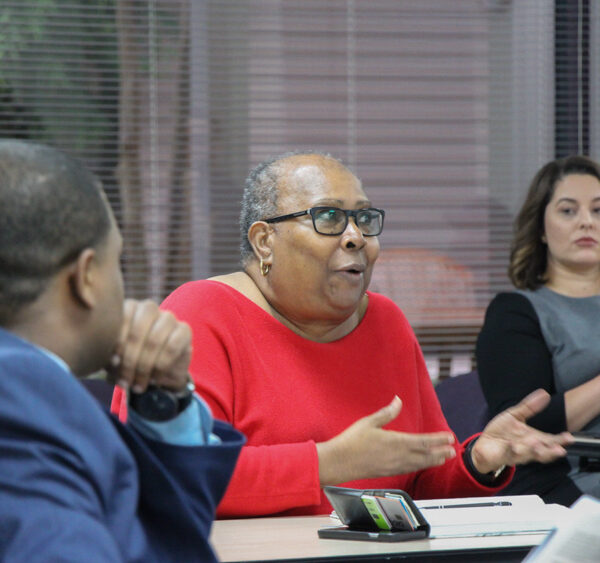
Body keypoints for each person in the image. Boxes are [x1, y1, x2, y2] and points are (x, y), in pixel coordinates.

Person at [112, 150, 572, 518]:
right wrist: (329, 463)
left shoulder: (386, 322)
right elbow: (172, 475)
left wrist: (479, 461)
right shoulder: (201, 314)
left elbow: (422, 483)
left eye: (364, 219)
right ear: (263, 241)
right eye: (328, 218)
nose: (355, 237)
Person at [0, 139, 244, 562]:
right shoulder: (24, 397)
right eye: (119, 261)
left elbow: (154, 542)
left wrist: (162, 401)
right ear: (86, 277)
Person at [477, 155, 600, 507]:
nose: (586, 222)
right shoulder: (516, 313)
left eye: (598, 210)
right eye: (568, 211)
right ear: (542, 229)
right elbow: (523, 423)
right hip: (569, 482)